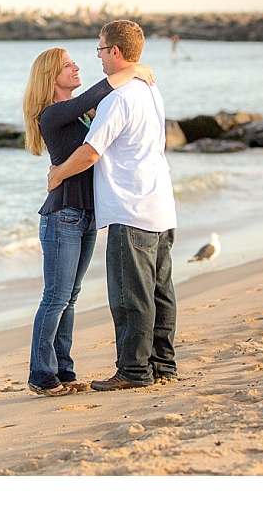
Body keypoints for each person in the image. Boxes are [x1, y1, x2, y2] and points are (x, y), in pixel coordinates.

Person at [47, 20, 178, 391]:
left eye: (101, 50)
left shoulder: (118, 99)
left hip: (130, 209)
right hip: (160, 205)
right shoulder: (150, 89)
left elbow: (89, 153)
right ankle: (162, 364)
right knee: (159, 291)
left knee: (129, 297)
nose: (99, 57)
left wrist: (58, 173)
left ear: (115, 52)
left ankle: (134, 371)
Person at [22, 46, 154, 397]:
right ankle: (41, 374)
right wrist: (134, 68)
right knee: (56, 297)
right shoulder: (53, 114)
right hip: (62, 216)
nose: (76, 67)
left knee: (70, 298)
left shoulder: (81, 115)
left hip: (86, 217)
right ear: (51, 77)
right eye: (68, 65)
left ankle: (64, 371)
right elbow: (100, 90)